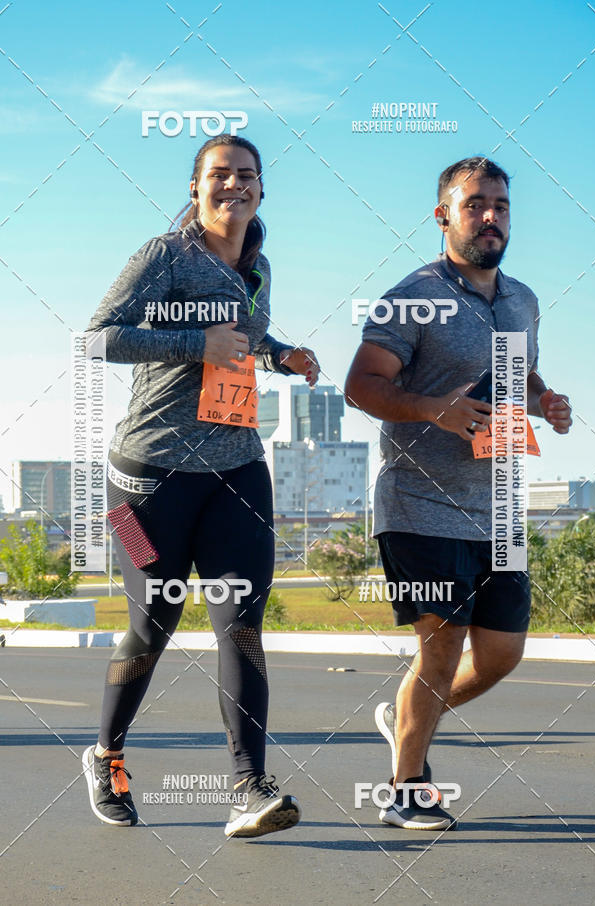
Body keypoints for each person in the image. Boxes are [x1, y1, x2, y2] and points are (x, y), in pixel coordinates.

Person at [81, 134, 319, 838]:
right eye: (220, 175)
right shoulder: (163, 255)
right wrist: (195, 343)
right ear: (195, 188)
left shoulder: (258, 267)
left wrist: (281, 354)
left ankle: (249, 788)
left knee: (241, 624)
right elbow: (98, 337)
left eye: (247, 175)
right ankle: (107, 755)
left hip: (237, 469)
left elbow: (242, 343)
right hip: (141, 480)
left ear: (261, 190)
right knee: (151, 624)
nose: (233, 186)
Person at [344, 156, 571, 831]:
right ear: (443, 215)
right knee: (441, 646)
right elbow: (362, 386)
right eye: (475, 205)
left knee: (501, 655)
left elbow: (519, 372)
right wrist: (430, 409)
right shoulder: (412, 296)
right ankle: (404, 788)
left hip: (498, 504)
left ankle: (409, 718)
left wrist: (544, 400)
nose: (491, 216)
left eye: (500, 205)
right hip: (419, 500)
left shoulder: (522, 299)